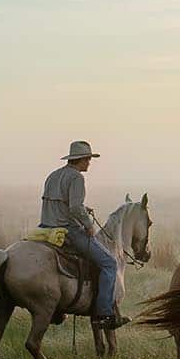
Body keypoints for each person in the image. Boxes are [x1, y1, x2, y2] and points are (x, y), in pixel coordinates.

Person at [40, 141, 127, 330]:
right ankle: (104, 313)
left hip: (45, 227)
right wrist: (88, 225)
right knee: (109, 263)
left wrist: (81, 208)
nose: (89, 163)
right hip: (67, 230)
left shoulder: (53, 175)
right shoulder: (77, 178)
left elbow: (60, 203)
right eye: (88, 159)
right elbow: (74, 208)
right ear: (81, 160)